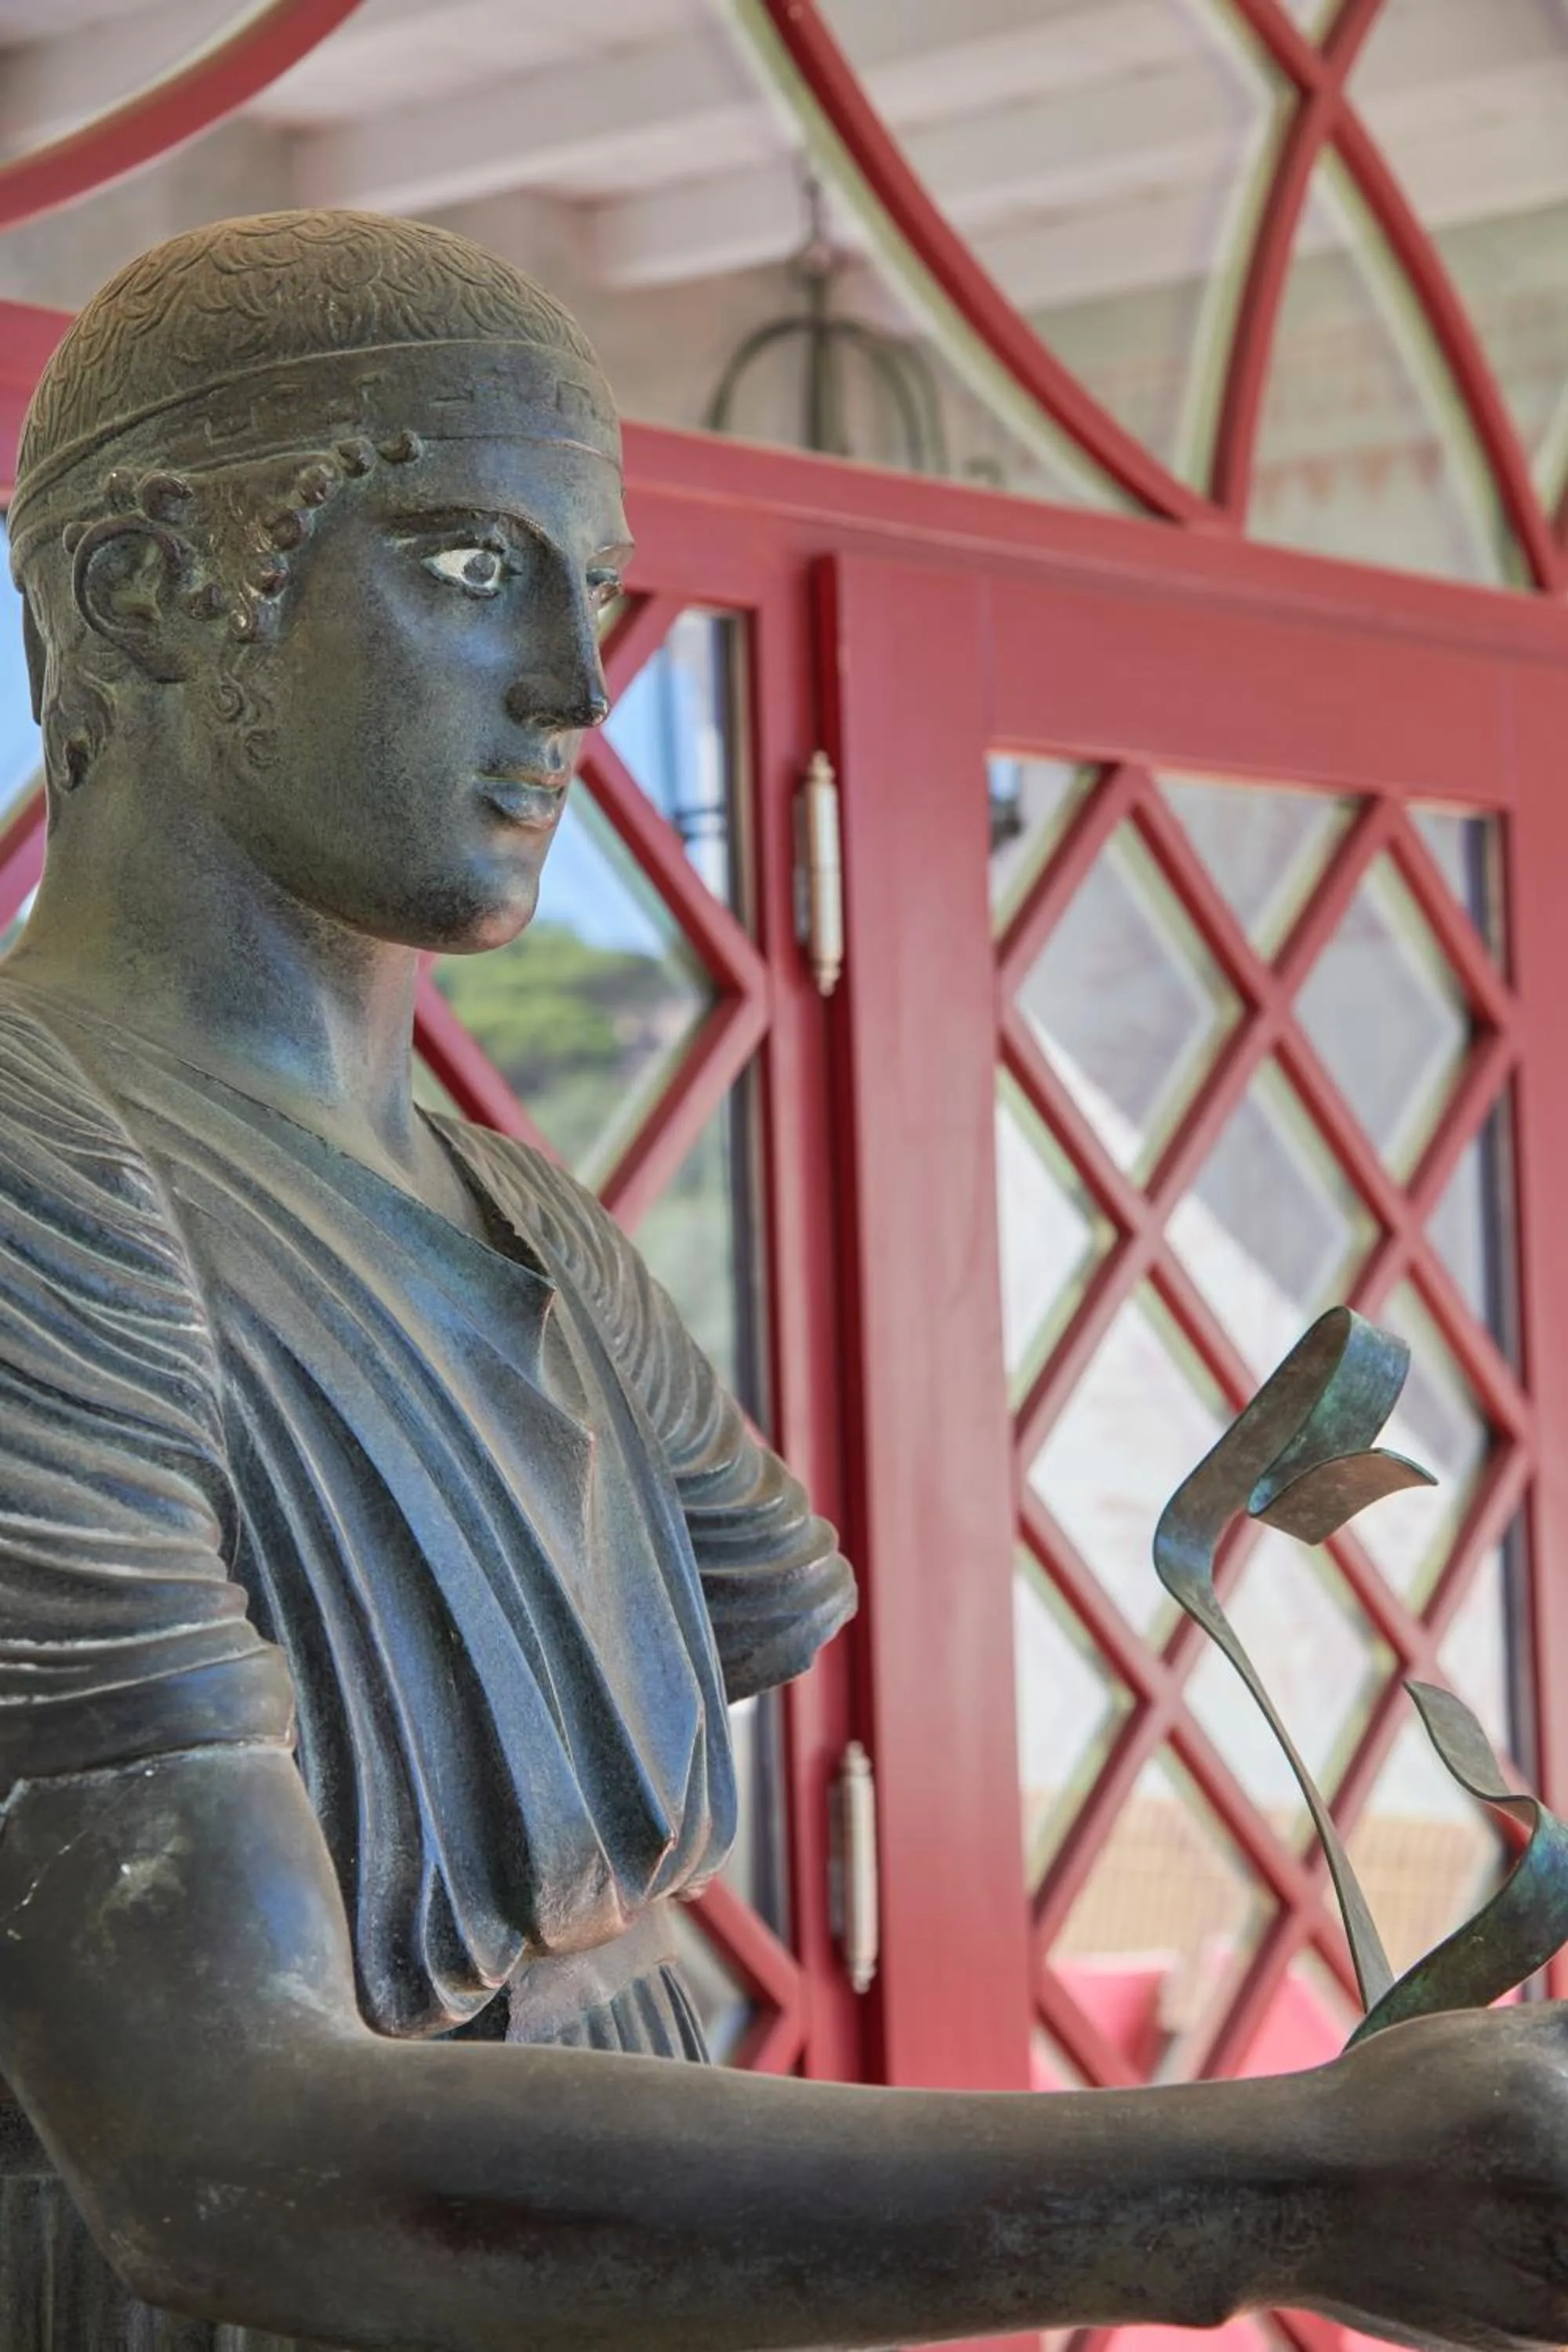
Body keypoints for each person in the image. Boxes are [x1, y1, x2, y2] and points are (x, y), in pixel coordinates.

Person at [0, 207, 1561, 2352]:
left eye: (604, 592)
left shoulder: (532, 1225)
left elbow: (640, 1918)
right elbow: (225, 2152)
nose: (577, 690)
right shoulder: (35, 1185)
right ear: (145, 590)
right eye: (470, 565)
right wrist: (1278, 2186)